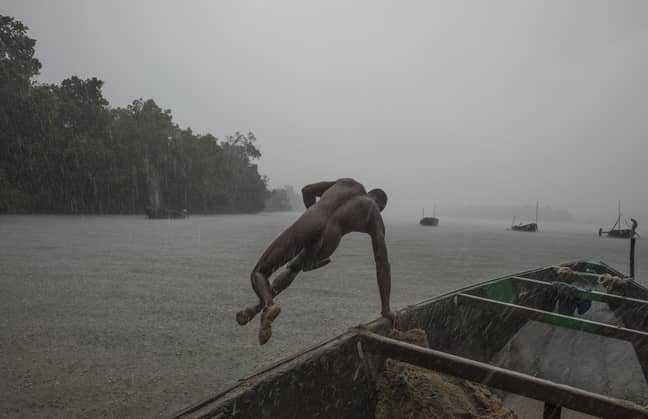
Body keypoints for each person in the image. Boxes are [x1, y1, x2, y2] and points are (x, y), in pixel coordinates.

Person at [236, 178, 394, 344]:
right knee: (293, 270)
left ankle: (267, 305)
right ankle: (257, 308)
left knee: (259, 273)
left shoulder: (348, 183)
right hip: (329, 240)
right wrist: (386, 308)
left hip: (310, 220)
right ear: (380, 206)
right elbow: (382, 262)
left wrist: (313, 215)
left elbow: (307, 190)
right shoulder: (373, 212)